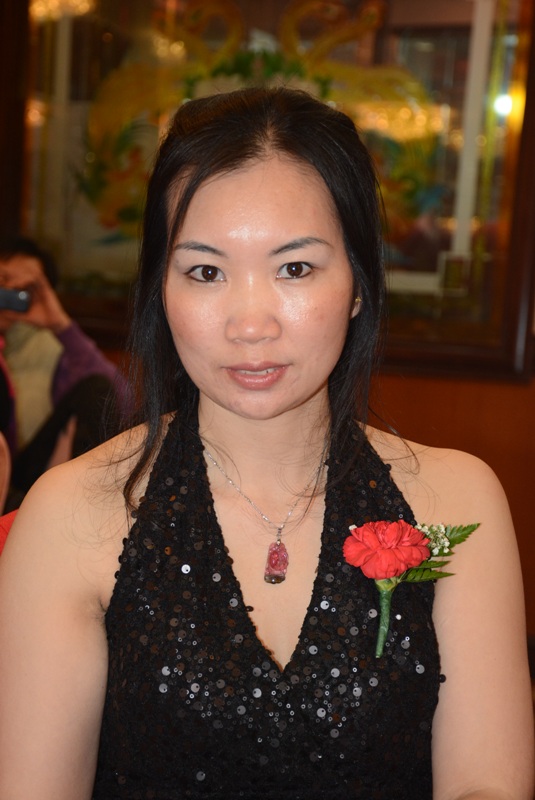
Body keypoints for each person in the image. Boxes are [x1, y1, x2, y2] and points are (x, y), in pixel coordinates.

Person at [0, 87, 532, 800]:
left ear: (357, 283)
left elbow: (484, 785)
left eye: (294, 268)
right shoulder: (73, 513)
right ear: (161, 289)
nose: (250, 324)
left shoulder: (456, 499)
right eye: (206, 272)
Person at [0, 237, 130, 500]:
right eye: (3, 280)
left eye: (25, 289)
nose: (10, 293)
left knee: (95, 388)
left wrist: (60, 325)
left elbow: (122, 401)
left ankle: (93, 505)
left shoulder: (54, 349)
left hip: (25, 476)